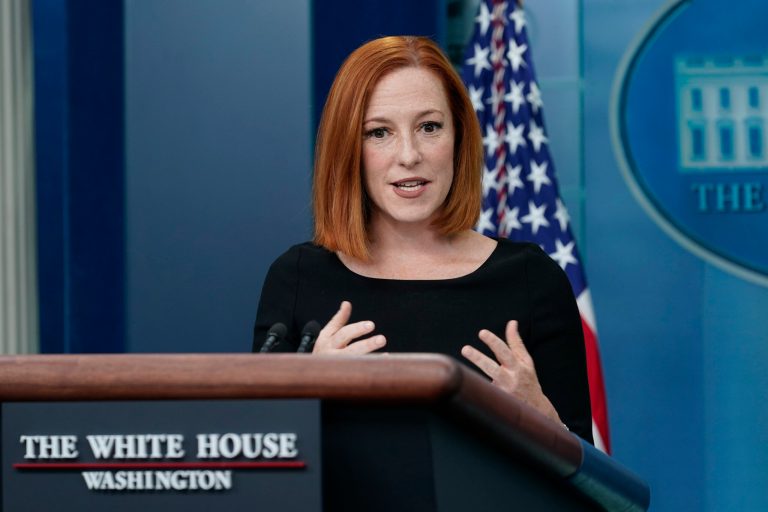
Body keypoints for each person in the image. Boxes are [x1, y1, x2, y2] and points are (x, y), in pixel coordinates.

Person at [253, 36, 592, 443]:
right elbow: (260, 456)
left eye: (429, 127)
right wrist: (309, 396)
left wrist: (544, 422)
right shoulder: (297, 278)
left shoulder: (532, 279)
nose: (409, 155)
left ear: (459, 136)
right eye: (379, 132)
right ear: (347, 148)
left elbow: (586, 474)